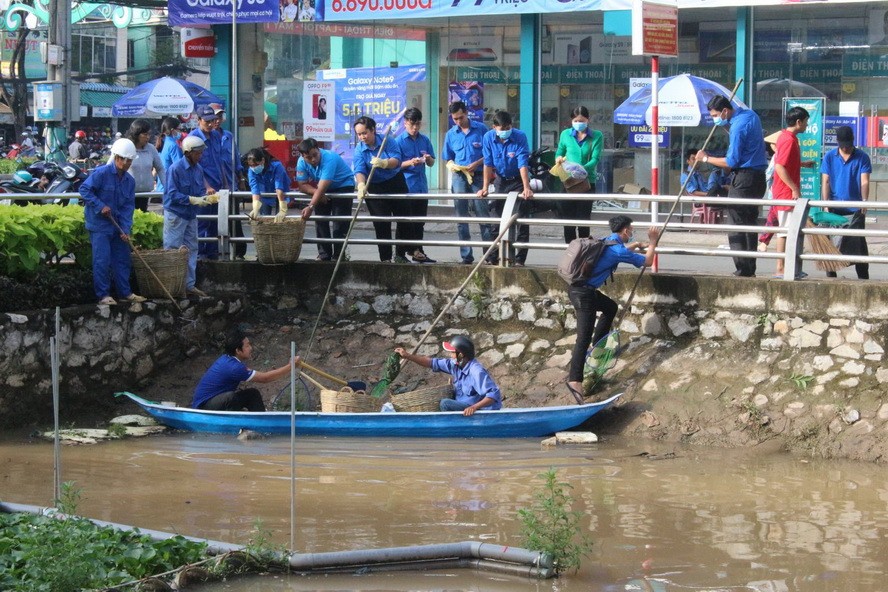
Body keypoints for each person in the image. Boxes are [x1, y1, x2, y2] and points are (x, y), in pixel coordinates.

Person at [566, 215, 660, 404]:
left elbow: (617, 251)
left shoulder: (606, 241)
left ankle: (597, 346)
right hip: (584, 295)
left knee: (610, 307)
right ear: (625, 230)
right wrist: (652, 241)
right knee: (582, 337)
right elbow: (648, 262)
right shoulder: (616, 250)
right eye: (631, 230)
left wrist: (633, 246)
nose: (632, 233)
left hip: (579, 289)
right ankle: (574, 380)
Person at [695, 95, 769, 277]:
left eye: (715, 115)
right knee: (749, 224)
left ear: (725, 111)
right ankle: (749, 268)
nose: (715, 119)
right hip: (758, 178)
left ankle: (743, 268)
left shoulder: (737, 127)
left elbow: (731, 161)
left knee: (736, 223)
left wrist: (705, 158)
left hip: (745, 178)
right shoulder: (750, 115)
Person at [78, 138, 146, 306]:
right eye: (125, 160)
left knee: (122, 259)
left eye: (130, 160)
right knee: (102, 260)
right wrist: (100, 206)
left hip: (117, 227)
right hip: (99, 225)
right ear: (117, 158)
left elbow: (128, 208)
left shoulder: (129, 181)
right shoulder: (101, 173)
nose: (128, 163)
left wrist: (125, 229)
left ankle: (125, 292)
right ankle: (103, 295)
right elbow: (84, 190)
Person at [191, 330, 300, 411]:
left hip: (215, 401)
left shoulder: (230, 360)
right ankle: (235, 425)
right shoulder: (233, 367)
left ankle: (261, 422)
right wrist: (290, 367)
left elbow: (262, 376)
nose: (251, 348)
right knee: (230, 397)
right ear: (238, 350)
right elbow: (265, 378)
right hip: (203, 407)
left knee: (252, 394)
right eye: (247, 346)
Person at [352, 116, 412, 263]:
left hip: (395, 182)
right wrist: (361, 185)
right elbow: (359, 169)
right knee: (381, 223)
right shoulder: (359, 149)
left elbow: (397, 160)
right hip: (375, 186)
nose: (362, 137)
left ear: (373, 130)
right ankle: (385, 259)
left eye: (364, 133)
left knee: (403, 219)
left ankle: (400, 254)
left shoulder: (388, 140)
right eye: (359, 134)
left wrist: (385, 163)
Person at [163, 135, 217, 298]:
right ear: (188, 153)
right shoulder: (175, 169)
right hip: (176, 214)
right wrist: (191, 199)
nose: (200, 156)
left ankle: (189, 285)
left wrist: (205, 198)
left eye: (201, 153)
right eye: (198, 153)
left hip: (191, 214)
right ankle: (172, 286)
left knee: (192, 249)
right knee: (172, 249)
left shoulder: (198, 169)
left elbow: (200, 190)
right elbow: (171, 194)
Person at [477, 110, 534, 266]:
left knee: (521, 219)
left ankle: (520, 258)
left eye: (508, 127)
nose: (505, 131)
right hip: (501, 181)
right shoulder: (488, 137)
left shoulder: (519, 136)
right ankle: (494, 256)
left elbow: (523, 162)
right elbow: (487, 163)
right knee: (496, 217)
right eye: (502, 129)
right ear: (494, 127)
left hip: (518, 180)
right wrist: (485, 187)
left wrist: (526, 187)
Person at [441, 100, 494, 265]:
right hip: (459, 177)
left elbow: (490, 153)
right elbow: (447, 156)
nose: (458, 121)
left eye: (461, 117)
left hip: (478, 176)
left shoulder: (481, 130)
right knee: (461, 217)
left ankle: (489, 255)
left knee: (483, 215)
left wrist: (476, 164)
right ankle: (466, 255)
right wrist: (451, 164)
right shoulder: (451, 134)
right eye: (455, 119)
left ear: (466, 113)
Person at [395, 335, 502, 416]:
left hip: (474, 409)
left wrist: (474, 407)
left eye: (452, 353)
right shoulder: (455, 364)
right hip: (461, 405)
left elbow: (493, 395)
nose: (450, 356)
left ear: (461, 355)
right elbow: (430, 362)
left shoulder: (476, 371)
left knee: (445, 403)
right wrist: (408, 356)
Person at [821, 125, 872, 280]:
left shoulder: (862, 157)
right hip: (834, 208)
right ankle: (831, 278)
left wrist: (864, 203)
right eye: (843, 146)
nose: (846, 148)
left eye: (848, 145)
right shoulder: (830, 157)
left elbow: (865, 181)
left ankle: (864, 279)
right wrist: (825, 203)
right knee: (830, 246)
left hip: (854, 208)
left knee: (858, 246)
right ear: (838, 143)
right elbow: (826, 181)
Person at [296, 137, 355, 261]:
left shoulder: (329, 158)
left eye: (315, 155)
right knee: (321, 220)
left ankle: (339, 255)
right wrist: (317, 193)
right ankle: (324, 254)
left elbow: (323, 186)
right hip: (321, 189)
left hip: (343, 185)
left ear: (319, 150)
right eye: (308, 157)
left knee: (339, 222)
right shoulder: (301, 162)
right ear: (302, 156)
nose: (313, 160)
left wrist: (311, 206)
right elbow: (302, 185)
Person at [770, 106, 810, 279]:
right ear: (799, 122)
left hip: (786, 191)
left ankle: (789, 267)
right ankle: (781, 267)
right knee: (785, 231)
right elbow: (779, 166)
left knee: (790, 230)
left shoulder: (786, 137)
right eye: (806, 122)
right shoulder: (788, 140)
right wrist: (794, 188)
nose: (807, 125)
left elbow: (785, 162)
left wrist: (802, 164)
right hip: (786, 193)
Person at [554, 106, 603, 243]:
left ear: (587, 120)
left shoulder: (597, 136)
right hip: (568, 181)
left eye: (581, 120)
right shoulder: (565, 134)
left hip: (587, 182)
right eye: (575, 120)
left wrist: (581, 170)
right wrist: (558, 159)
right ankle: (570, 249)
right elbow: (559, 152)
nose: (578, 123)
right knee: (568, 218)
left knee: (583, 218)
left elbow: (595, 158)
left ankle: (583, 248)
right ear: (571, 121)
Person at [396, 107, 436, 263]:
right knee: (405, 221)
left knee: (419, 221)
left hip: (421, 187)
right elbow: (394, 165)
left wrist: (427, 158)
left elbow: (432, 162)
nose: (415, 128)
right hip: (406, 186)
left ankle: (418, 251)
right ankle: (399, 253)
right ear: (405, 123)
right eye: (412, 124)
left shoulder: (424, 140)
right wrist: (409, 162)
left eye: (418, 124)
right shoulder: (398, 141)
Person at [188, 106, 225, 260]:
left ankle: (212, 255)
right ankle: (200, 256)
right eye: (207, 121)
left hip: (218, 187)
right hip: (202, 189)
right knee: (202, 223)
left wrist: (226, 183)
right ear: (199, 120)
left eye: (213, 120)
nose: (210, 124)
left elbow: (220, 161)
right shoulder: (192, 139)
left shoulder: (216, 136)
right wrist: (206, 186)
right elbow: (194, 166)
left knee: (215, 224)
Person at [212, 105, 248, 259]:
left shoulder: (228, 136)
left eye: (219, 117)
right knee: (214, 220)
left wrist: (241, 179)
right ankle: (217, 251)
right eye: (214, 118)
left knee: (234, 218)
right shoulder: (207, 137)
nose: (217, 121)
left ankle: (240, 251)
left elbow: (236, 160)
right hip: (214, 186)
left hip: (231, 183)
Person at [124, 119, 165, 212]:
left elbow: (160, 168)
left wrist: (167, 187)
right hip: (126, 194)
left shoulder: (151, 148)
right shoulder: (126, 147)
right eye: (145, 134)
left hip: (145, 194)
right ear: (136, 134)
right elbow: (110, 167)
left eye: (149, 134)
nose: (148, 137)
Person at [246, 147, 290, 224]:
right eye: (251, 165)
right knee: (264, 219)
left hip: (281, 193)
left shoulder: (277, 166)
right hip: (265, 193)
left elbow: (279, 186)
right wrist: (255, 207)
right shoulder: (251, 171)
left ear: (263, 160)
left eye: (256, 165)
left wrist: (283, 208)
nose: (253, 168)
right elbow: (254, 188)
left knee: (281, 220)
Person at [156, 117, 184, 192]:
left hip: (161, 186)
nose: (180, 132)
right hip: (170, 187)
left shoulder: (163, 142)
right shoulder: (173, 145)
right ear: (172, 130)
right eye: (179, 129)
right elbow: (179, 167)